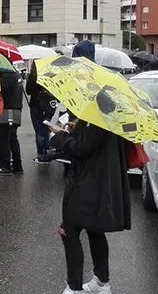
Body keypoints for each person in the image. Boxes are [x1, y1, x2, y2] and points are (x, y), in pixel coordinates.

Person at [48, 119, 131, 294]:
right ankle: (101, 283)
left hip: (89, 181)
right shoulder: (106, 111)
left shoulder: (99, 112)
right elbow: (91, 141)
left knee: (69, 230)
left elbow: (82, 148)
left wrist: (60, 135)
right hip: (99, 180)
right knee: (95, 229)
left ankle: (74, 288)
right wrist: (75, 128)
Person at [0, 68, 24, 175]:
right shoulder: (16, 74)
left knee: (6, 138)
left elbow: (0, 90)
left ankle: (6, 166)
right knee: (12, 137)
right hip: (16, 108)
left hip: (9, 110)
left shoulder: (8, 76)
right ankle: (17, 165)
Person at [26, 61, 57, 164]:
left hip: (36, 105)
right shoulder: (50, 75)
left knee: (39, 130)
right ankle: (47, 153)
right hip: (49, 106)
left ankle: (41, 155)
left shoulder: (34, 76)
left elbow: (28, 91)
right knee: (45, 129)